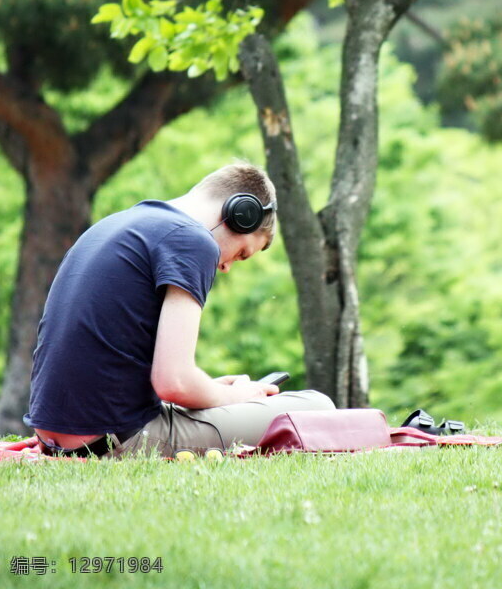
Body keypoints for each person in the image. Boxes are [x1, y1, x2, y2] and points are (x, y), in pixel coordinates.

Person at [23, 162, 334, 458]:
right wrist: (236, 397)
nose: (225, 267)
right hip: (114, 441)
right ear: (242, 215)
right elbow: (174, 383)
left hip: (54, 436)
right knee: (318, 406)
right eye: (241, 253)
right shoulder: (192, 241)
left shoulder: (114, 225)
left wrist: (211, 389)